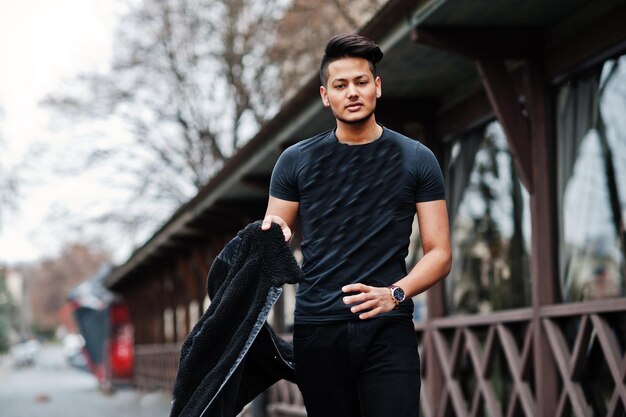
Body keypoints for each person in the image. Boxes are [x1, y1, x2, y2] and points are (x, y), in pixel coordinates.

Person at [261, 34, 451, 417]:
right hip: (317, 328)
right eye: (341, 85)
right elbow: (273, 233)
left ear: (377, 87)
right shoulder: (295, 161)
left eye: (361, 82)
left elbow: (441, 252)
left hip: (388, 326)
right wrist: (271, 237)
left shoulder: (417, 158)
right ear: (324, 95)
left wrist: (394, 294)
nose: (352, 92)